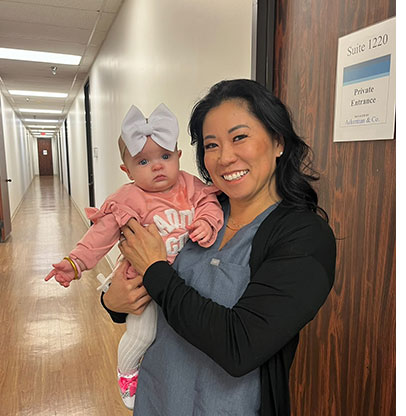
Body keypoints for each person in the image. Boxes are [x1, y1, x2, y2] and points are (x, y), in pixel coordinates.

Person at [101, 79, 336, 415]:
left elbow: (240, 346)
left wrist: (156, 271)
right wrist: (113, 302)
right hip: (156, 398)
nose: (225, 157)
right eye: (211, 145)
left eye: (239, 137)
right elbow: (140, 281)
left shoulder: (304, 238)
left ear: (278, 141)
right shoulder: (195, 211)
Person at [44, 103, 223, 409]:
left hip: (184, 282)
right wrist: (75, 262)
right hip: (142, 283)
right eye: (143, 161)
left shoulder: (190, 186)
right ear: (126, 170)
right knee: (143, 334)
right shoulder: (127, 199)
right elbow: (100, 236)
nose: (157, 167)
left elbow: (209, 203)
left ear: (179, 156)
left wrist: (207, 222)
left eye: (165, 157)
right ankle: (127, 373)